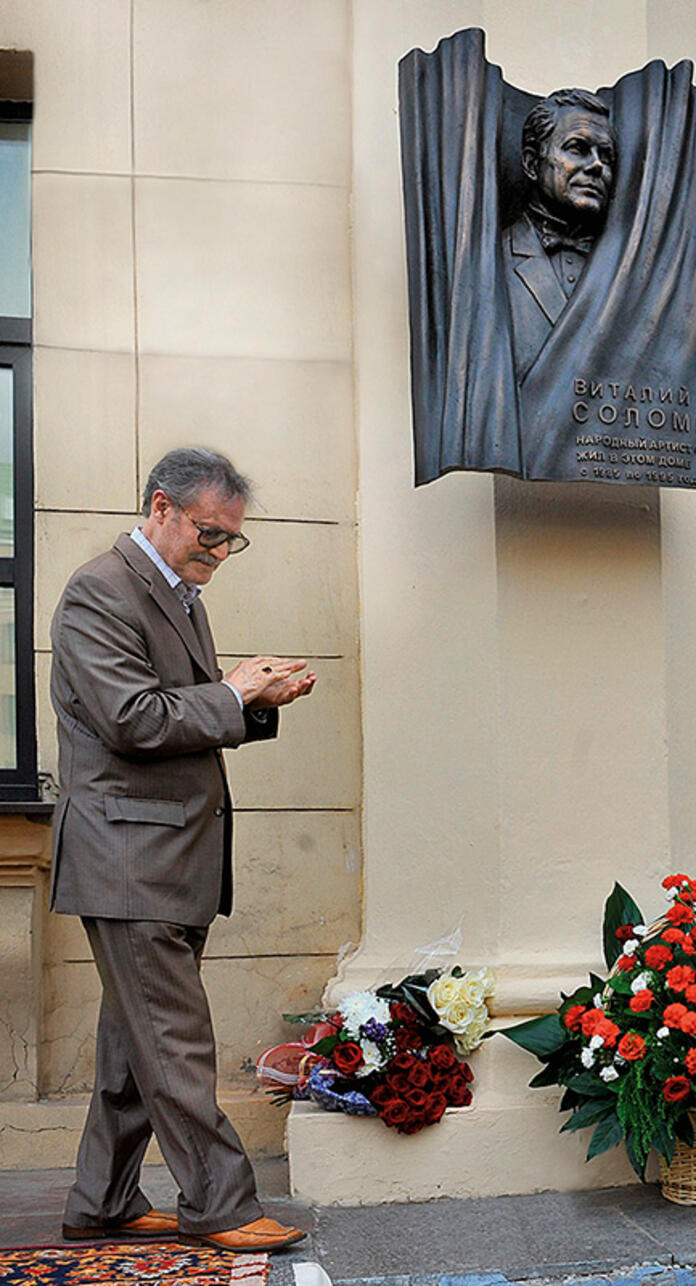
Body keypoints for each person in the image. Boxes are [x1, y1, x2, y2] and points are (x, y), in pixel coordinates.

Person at [51, 448, 317, 1252]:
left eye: (233, 539)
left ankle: (100, 1203)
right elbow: (133, 718)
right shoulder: (99, 591)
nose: (220, 551)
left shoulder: (176, 594)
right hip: (131, 864)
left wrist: (255, 699)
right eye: (210, 532)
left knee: (137, 1052)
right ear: (160, 507)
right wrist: (236, 692)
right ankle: (223, 1206)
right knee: (175, 1045)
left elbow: (181, 713)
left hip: (163, 861)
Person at [504, 88, 616, 380]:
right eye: (578, 148)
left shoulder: (625, 267)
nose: (597, 166)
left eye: (606, 155)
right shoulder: (493, 262)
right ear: (531, 163)